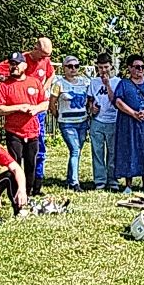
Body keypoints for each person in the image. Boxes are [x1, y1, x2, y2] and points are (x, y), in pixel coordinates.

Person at [0, 52, 47, 200]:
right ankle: (15, 194)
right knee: (15, 164)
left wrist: (36, 108)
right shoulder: (5, 86)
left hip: (33, 131)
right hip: (14, 132)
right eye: (11, 64)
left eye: (16, 63)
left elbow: (45, 103)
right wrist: (17, 107)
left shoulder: (34, 82)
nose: (13, 66)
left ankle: (26, 195)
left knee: (31, 164)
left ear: (25, 65)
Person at [0, 38, 55, 182]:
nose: (45, 59)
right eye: (42, 55)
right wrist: (3, 87)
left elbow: (51, 75)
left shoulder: (45, 62)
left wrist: (43, 89)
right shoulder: (21, 59)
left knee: (37, 151)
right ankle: (17, 186)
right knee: (16, 157)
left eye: (47, 56)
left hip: (35, 113)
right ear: (35, 48)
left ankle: (36, 182)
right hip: (15, 124)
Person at [111, 56, 144, 191]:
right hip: (128, 123)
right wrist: (133, 113)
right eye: (137, 67)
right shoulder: (124, 84)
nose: (140, 69)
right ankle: (128, 184)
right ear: (129, 68)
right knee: (128, 150)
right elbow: (118, 101)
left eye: (142, 67)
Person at [52, 55, 96, 190]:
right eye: (70, 66)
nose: (73, 69)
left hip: (82, 121)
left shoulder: (85, 82)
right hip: (67, 122)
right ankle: (74, 182)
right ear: (64, 68)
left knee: (77, 150)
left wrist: (91, 109)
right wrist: (58, 116)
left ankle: (70, 177)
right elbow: (52, 103)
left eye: (76, 66)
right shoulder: (59, 84)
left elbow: (90, 99)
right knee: (75, 150)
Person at [86, 53, 123, 191]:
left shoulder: (118, 82)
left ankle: (113, 179)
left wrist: (107, 84)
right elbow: (89, 100)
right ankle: (99, 180)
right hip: (97, 121)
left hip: (113, 120)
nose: (103, 70)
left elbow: (115, 101)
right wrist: (91, 107)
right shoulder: (94, 82)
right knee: (97, 151)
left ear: (111, 66)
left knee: (113, 152)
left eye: (106, 67)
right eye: (100, 67)